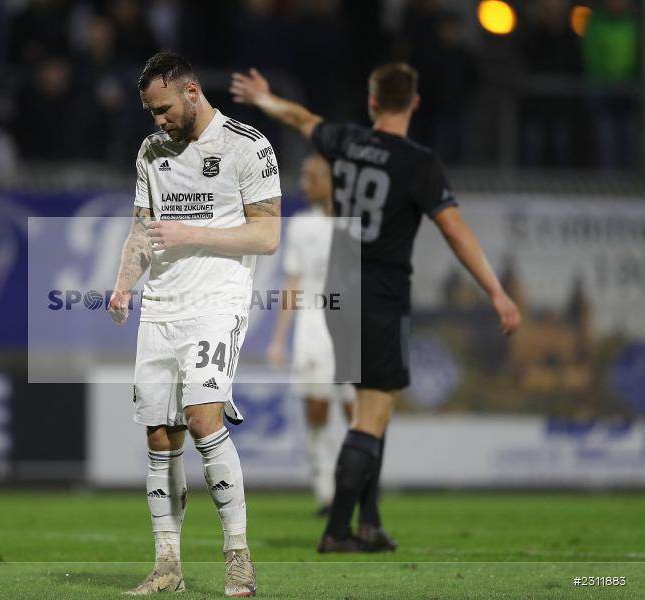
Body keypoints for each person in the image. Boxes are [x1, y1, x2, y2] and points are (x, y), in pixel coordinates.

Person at [231, 62, 520, 553]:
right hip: (381, 293)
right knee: (371, 414)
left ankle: (369, 523)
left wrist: (263, 100)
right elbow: (453, 228)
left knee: (371, 413)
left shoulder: (345, 140)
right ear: (415, 103)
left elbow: (300, 119)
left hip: (341, 292)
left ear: (371, 102)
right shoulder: (418, 162)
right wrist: (495, 289)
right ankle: (337, 530)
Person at [109, 50, 281, 597]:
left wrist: (190, 234)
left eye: (161, 108)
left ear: (190, 92)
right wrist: (122, 286)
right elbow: (141, 231)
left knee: (203, 417)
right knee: (160, 435)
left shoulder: (247, 146)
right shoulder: (152, 150)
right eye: (149, 112)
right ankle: (167, 567)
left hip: (216, 301)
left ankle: (238, 557)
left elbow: (267, 235)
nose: (157, 120)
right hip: (161, 305)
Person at [266, 153, 357, 518]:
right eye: (303, 177)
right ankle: (326, 492)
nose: (305, 184)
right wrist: (278, 338)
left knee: (358, 412)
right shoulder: (302, 224)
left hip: (352, 329)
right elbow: (293, 281)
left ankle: (359, 482)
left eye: (313, 176)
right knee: (317, 412)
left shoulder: (358, 223)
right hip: (313, 327)